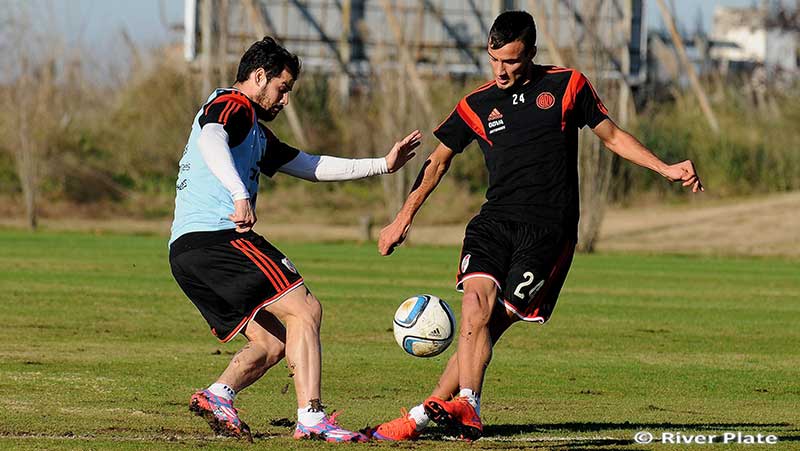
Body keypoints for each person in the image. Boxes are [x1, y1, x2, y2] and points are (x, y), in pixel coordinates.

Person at [369, 11, 703, 442]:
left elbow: (614, 137)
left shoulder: (567, 86)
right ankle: (467, 408)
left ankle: (423, 415)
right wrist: (402, 218)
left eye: (510, 61)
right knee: (474, 306)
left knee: (487, 327)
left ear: (531, 54)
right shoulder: (476, 103)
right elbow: (437, 162)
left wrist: (665, 168)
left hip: (549, 232)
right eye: (494, 60)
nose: (501, 70)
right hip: (494, 222)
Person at [168, 36, 422, 443]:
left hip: (185, 252)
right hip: (216, 238)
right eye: (282, 89)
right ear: (259, 76)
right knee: (305, 310)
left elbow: (308, 164)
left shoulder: (255, 133)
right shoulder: (233, 105)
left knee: (274, 341)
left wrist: (382, 165)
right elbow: (210, 138)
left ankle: (219, 395)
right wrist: (238, 194)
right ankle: (312, 417)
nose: (285, 100)